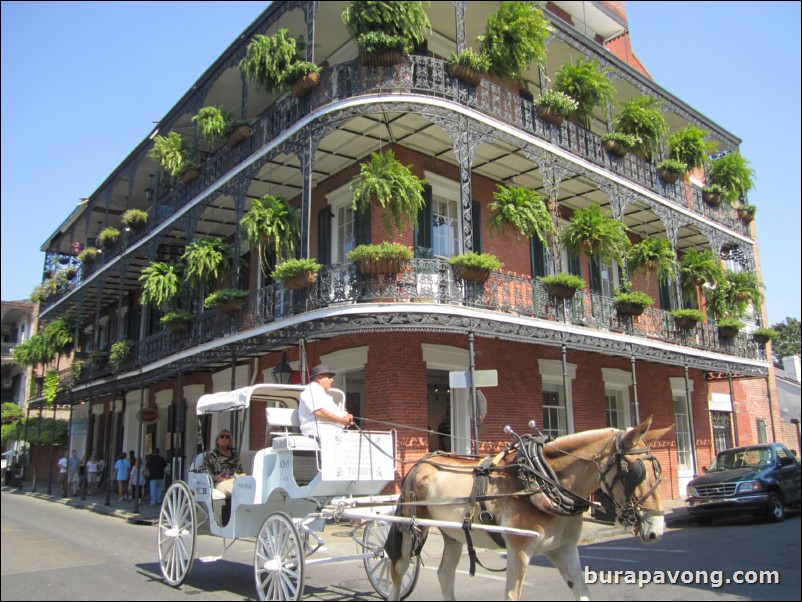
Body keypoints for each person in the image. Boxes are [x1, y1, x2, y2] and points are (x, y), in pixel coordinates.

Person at [298, 364, 353, 438]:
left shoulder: (322, 393)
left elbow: (332, 411)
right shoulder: (310, 391)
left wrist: (346, 416)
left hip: (332, 434)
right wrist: (342, 420)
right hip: (319, 434)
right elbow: (319, 412)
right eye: (329, 377)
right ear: (319, 377)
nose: (332, 380)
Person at [202, 429, 243, 498]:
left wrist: (242, 476)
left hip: (235, 480)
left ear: (230, 441)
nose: (224, 438)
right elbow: (202, 471)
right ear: (217, 440)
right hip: (220, 482)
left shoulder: (234, 454)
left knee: (247, 487)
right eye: (222, 436)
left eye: (227, 437)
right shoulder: (212, 454)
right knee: (237, 490)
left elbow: (240, 470)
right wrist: (215, 478)